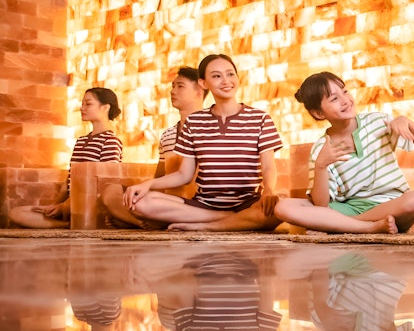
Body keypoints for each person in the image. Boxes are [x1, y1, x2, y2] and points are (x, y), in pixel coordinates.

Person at [122, 54, 284, 231]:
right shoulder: (195, 122)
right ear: (203, 83)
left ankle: (206, 227)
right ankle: (231, 220)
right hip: (205, 205)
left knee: (280, 209)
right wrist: (148, 184)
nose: (226, 81)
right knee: (140, 203)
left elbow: (268, 166)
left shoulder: (260, 118)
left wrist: (269, 190)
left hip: (248, 202)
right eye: (216, 76)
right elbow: (184, 175)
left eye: (230, 74)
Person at [274, 72, 414, 234]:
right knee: (283, 207)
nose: (345, 100)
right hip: (350, 207)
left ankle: (341, 226)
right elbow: (321, 205)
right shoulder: (321, 148)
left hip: (391, 205)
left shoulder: (378, 121)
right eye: (334, 99)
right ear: (319, 113)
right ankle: (369, 228)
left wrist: (404, 120)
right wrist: (321, 165)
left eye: (345, 91)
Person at [101, 67, 207, 227]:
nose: (173, 91)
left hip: (197, 204)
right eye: (172, 86)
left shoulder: (210, 129)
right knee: (111, 191)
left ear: (199, 92)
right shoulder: (168, 135)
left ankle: (138, 220)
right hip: (168, 201)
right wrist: (138, 194)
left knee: (135, 207)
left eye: (180, 86)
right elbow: (159, 178)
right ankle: (140, 222)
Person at [9, 87, 123, 229]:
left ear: (105, 107)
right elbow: (69, 179)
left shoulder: (111, 141)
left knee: (22, 216)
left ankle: (76, 224)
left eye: (88, 104)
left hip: (89, 204)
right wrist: (56, 205)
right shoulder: (81, 141)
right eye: (82, 104)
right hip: (70, 203)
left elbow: (105, 184)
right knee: (17, 213)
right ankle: (70, 224)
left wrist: (66, 205)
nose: (82, 108)